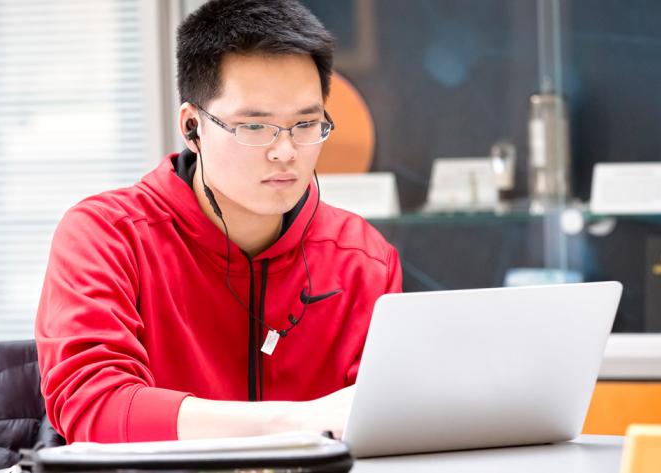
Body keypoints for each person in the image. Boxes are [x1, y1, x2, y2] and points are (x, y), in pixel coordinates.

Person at [35, 0, 401, 444]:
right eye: (254, 127)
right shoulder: (107, 236)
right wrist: (295, 421)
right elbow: (95, 406)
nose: (285, 151)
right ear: (192, 127)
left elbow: (387, 417)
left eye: (306, 123)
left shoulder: (362, 257)